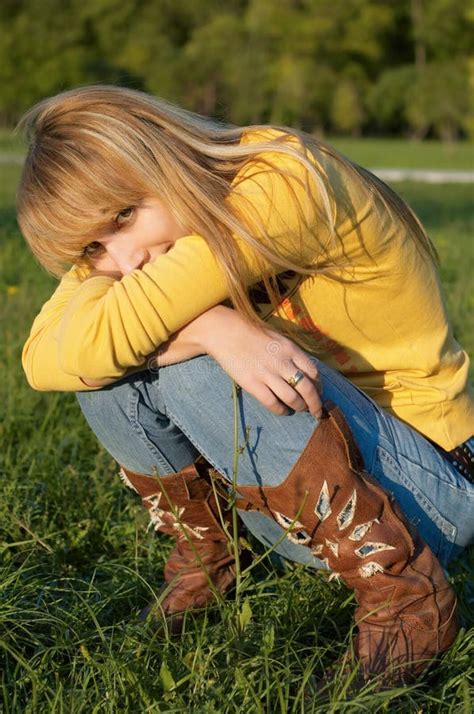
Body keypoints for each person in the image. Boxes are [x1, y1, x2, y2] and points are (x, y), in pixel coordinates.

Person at [17, 85, 474, 687]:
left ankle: (408, 600)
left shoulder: (283, 183)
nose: (127, 260)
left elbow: (95, 336)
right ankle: (211, 559)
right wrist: (214, 326)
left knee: (165, 358)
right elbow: (41, 358)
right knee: (113, 368)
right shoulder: (148, 241)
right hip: (306, 516)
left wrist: (199, 333)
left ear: (163, 158)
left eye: (125, 216)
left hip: (432, 495)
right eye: (94, 247)